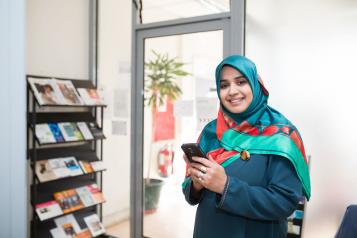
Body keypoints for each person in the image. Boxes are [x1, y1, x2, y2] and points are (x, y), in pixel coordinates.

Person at [182, 55, 311, 238]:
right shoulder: (211, 132)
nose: (232, 91)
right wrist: (196, 182)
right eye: (224, 85)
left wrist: (226, 186)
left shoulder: (280, 134)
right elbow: (190, 195)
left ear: (255, 85)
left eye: (241, 82)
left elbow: (284, 202)